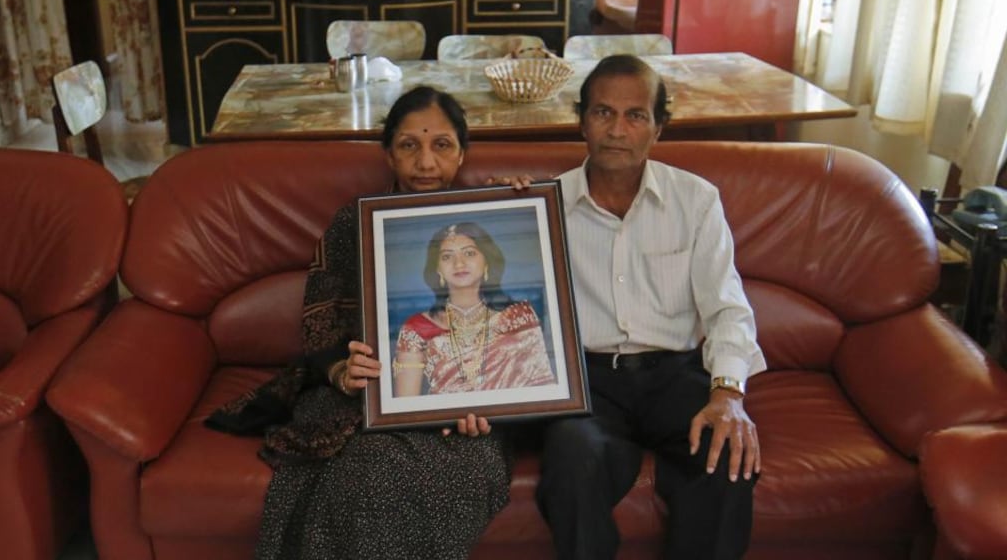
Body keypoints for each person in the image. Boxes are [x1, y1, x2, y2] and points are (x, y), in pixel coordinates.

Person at [206, 86, 522, 560]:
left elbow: (518, 343)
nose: (426, 162)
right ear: (388, 154)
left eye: (441, 145)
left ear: (461, 153)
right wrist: (341, 372)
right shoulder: (353, 224)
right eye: (409, 145)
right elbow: (321, 327)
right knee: (363, 472)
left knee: (431, 475)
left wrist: (525, 207)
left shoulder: (490, 218)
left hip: (464, 412)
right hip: (364, 401)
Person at [536, 54, 766, 560]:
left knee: (727, 453)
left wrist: (728, 393)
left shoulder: (696, 201)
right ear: (581, 121)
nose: (617, 130)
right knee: (574, 458)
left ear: (659, 128)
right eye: (602, 113)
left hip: (676, 374)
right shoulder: (543, 206)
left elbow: (728, 307)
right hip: (589, 383)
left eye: (635, 115)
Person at [393, 221, 555, 396]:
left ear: (487, 262)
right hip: (445, 422)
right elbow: (406, 404)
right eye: (447, 256)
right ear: (437, 269)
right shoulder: (416, 328)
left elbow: (542, 391)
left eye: (469, 253)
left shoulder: (519, 318)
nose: (459, 264)